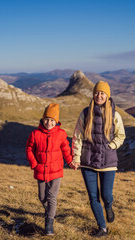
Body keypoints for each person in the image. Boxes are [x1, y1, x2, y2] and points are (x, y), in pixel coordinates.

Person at [72, 81, 126, 237]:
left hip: (108, 162)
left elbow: (121, 135)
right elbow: (77, 136)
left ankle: (108, 206)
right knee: (93, 197)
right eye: (97, 93)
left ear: (107, 96)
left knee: (106, 195)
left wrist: (112, 146)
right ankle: (102, 228)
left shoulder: (115, 115)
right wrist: (76, 158)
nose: (99, 96)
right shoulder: (85, 113)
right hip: (87, 161)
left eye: (102, 93)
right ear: (93, 95)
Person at [26, 103, 77, 236]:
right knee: (42, 197)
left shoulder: (61, 134)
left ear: (56, 121)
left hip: (56, 171)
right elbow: (29, 149)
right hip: (40, 170)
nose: (49, 122)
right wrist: (34, 164)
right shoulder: (35, 134)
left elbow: (66, 150)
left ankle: (49, 224)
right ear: (42, 119)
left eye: (52, 120)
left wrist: (70, 162)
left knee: (52, 197)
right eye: (47, 119)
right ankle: (50, 211)